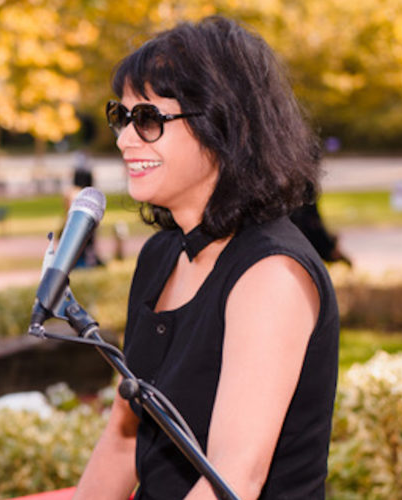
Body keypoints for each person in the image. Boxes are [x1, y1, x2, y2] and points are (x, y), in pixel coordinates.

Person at [75, 17, 339, 500]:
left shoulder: (271, 274)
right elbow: (121, 438)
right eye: (122, 116)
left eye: (149, 119)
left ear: (223, 125)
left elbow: (234, 478)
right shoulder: (160, 256)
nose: (123, 139)